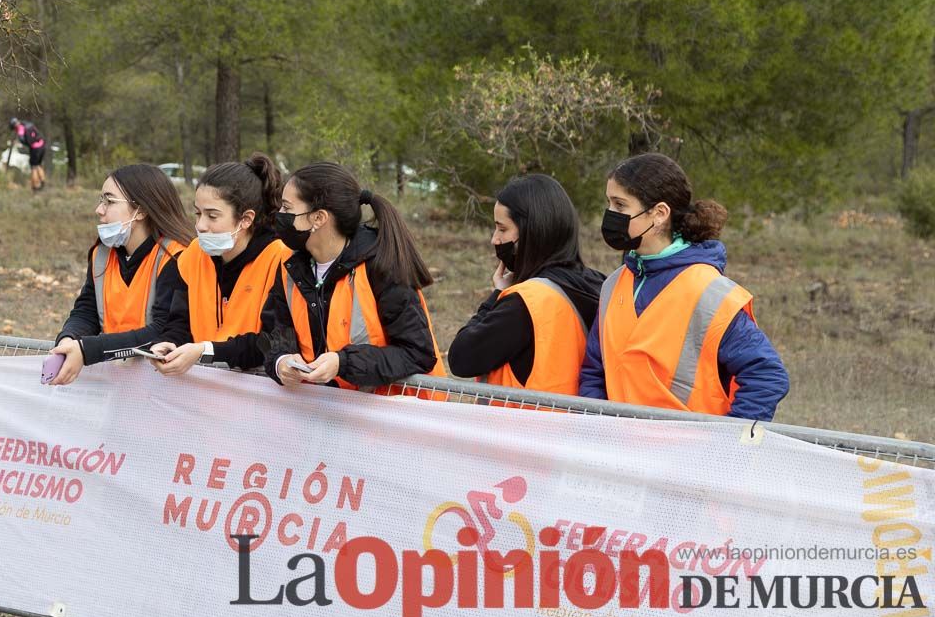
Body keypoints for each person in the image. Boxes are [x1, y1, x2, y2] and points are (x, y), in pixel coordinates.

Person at [578, 153, 789, 420]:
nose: (610, 215)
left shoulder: (711, 293)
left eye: (620, 205)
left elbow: (767, 375)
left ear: (659, 214)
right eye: (609, 204)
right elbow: (594, 371)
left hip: (689, 458)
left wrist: (727, 447)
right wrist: (600, 429)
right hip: (621, 455)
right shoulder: (613, 284)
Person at [261, 162, 441, 393]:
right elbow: (274, 330)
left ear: (318, 218)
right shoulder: (290, 264)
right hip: (323, 412)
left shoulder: (382, 267)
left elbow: (417, 353)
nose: (280, 216)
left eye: (287, 208)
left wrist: (343, 363)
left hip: (390, 418)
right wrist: (280, 360)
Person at [447, 174, 604, 396]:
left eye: (502, 229)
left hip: (520, 428)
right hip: (573, 426)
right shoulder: (599, 284)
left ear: (533, 232)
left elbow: (461, 358)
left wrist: (497, 294)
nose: (495, 239)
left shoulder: (526, 302)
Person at [48, 164, 194, 385]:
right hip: (115, 380)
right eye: (101, 200)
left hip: (162, 384)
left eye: (110, 201)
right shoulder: (101, 255)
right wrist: (69, 339)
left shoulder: (176, 256)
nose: (99, 209)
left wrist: (88, 349)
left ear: (141, 210)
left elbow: (163, 330)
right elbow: (86, 310)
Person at [148, 153, 292, 373]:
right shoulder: (193, 254)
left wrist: (207, 350)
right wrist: (171, 343)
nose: (201, 225)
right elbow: (179, 321)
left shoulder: (280, 259)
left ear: (246, 219)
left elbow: (271, 342)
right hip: (204, 386)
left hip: (257, 389)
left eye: (212, 216)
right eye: (198, 214)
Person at [9, 117, 46, 191]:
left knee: (33, 167)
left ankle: (35, 186)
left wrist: (26, 144)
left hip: (35, 148)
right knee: (38, 164)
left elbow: (22, 139)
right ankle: (42, 181)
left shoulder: (20, 128)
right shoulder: (28, 124)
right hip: (42, 145)